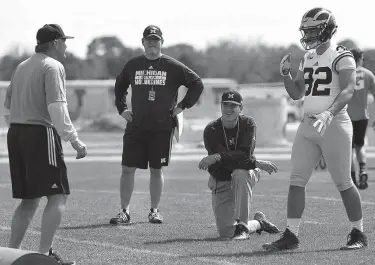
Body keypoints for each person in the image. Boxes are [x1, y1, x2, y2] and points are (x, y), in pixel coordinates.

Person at [262, 8, 367, 251]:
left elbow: (348, 90)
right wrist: (286, 75)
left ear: (327, 30)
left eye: (312, 30)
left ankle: (359, 233)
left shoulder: (342, 55)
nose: (308, 35)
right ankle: (291, 234)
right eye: (306, 30)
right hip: (308, 124)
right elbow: (298, 93)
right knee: (296, 180)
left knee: (343, 182)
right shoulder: (308, 57)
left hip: (334, 123)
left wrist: (329, 113)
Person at [3, 24, 87, 264]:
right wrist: (74, 139)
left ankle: (11, 255)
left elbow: (6, 107)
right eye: (64, 41)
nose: (67, 46)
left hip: (16, 134)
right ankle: (44, 255)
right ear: (55, 43)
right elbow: (57, 108)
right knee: (58, 195)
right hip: (40, 134)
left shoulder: (21, 67)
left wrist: (19, 128)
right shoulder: (53, 66)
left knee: (29, 200)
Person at [110, 25, 204, 225]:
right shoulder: (133, 64)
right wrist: (122, 109)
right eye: (149, 39)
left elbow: (197, 83)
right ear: (143, 42)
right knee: (127, 168)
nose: (152, 43)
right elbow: (120, 86)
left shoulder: (172, 65)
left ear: (162, 42)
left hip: (162, 126)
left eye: (156, 40)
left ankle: (154, 211)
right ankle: (124, 211)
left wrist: (182, 106)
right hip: (136, 125)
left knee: (156, 169)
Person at [198, 90, 280, 239]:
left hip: (245, 173)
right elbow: (225, 164)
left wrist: (218, 157)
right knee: (226, 233)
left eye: (233, 106)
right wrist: (256, 163)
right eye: (226, 105)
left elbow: (244, 155)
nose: (229, 109)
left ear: (240, 108)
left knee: (240, 173)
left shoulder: (248, 123)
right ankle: (259, 223)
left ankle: (242, 226)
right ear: (221, 106)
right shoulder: (211, 129)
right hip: (221, 178)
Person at [347, 48, 375, 189]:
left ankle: (352, 177)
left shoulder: (345, 73)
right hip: (363, 116)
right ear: (360, 58)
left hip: (347, 116)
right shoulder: (368, 74)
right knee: (360, 146)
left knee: (349, 149)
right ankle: (363, 169)